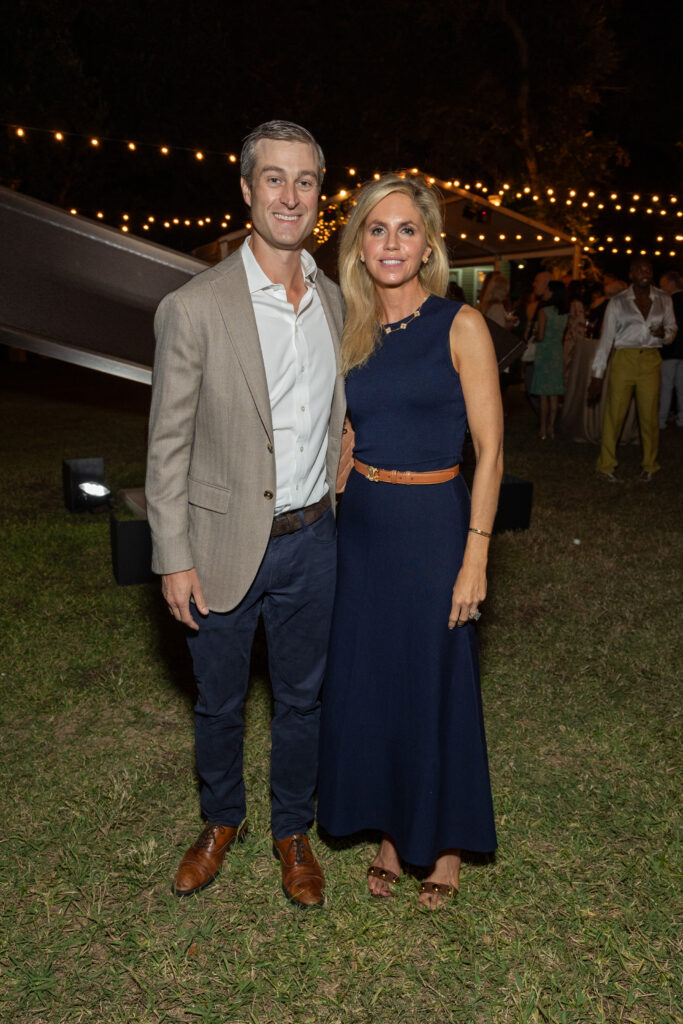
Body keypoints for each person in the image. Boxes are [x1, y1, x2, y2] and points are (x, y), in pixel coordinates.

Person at [145, 121, 346, 907]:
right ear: (245, 189)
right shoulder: (193, 308)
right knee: (219, 701)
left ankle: (292, 831)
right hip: (221, 542)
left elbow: (336, 416)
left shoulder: (331, 300)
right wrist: (172, 554)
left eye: (304, 181)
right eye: (273, 179)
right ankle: (220, 819)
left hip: (312, 541)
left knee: (303, 700)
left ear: (318, 195)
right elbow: (166, 443)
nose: (289, 195)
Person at [317, 174, 503, 909]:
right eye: (375, 229)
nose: (390, 243)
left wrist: (476, 556)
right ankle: (392, 836)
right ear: (358, 246)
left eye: (405, 230)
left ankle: (446, 843)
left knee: (433, 679)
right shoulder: (350, 330)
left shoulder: (458, 324)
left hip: (434, 526)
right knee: (376, 680)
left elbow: (490, 450)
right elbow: (346, 427)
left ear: (427, 246)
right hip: (361, 525)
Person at [588, 258, 676, 482]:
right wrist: (597, 375)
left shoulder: (664, 299)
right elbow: (606, 340)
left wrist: (664, 335)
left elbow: (672, 328)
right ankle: (606, 465)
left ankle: (650, 465)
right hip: (624, 359)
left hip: (651, 359)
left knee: (649, 416)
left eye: (647, 269)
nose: (644, 272)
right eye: (639, 269)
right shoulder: (618, 302)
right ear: (631, 274)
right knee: (614, 413)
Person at [530, 280, 567, 439]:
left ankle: (543, 429)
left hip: (544, 353)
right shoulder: (564, 313)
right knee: (554, 394)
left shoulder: (544, 311)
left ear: (552, 292)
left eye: (547, 289)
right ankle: (552, 428)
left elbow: (540, 335)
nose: (544, 291)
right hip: (557, 352)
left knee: (544, 394)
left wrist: (534, 335)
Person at [658, 271, 683, 428]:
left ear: (671, 283)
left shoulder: (668, 302)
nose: (662, 287)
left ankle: (661, 420)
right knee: (682, 387)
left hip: (671, 349)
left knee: (666, 386)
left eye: (663, 284)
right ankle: (682, 419)